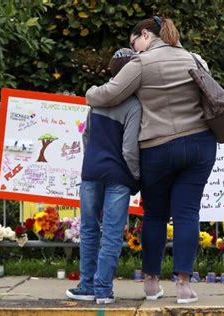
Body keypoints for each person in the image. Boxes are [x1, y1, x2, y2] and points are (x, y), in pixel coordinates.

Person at [85, 16, 216, 304]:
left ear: (145, 34)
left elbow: (109, 94)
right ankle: (183, 287)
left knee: (155, 214)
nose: (135, 49)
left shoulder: (141, 64)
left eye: (134, 43)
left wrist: (89, 93)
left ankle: (151, 283)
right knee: (187, 214)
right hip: (199, 145)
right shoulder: (194, 58)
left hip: (158, 148)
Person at [66, 48, 142, 304]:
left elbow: (86, 135)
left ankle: (86, 285)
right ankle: (103, 289)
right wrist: (135, 177)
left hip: (91, 172)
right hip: (118, 175)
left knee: (89, 229)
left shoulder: (96, 99)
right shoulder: (133, 105)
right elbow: (130, 149)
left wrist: (91, 160)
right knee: (110, 233)